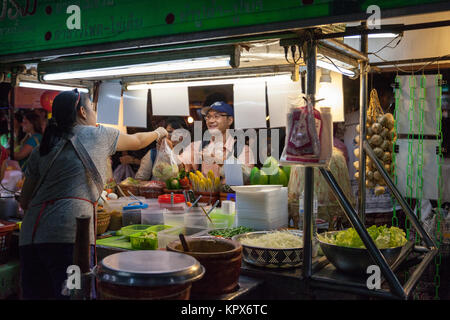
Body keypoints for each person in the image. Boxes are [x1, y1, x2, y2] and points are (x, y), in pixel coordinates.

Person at [18, 89, 168, 300]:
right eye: (93, 109)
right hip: (67, 235)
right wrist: (159, 132)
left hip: (29, 237)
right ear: (82, 111)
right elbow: (136, 141)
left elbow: (25, 201)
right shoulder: (97, 135)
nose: (95, 114)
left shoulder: (43, 146)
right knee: (74, 294)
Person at [181, 101, 255, 182]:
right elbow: (179, 165)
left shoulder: (243, 150)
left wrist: (220, 161)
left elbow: (245, 177)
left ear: (230, 120)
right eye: (208, 117)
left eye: (216, 116)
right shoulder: (196, 146)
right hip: (202, 194)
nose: (211, 121)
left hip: (229, 195)